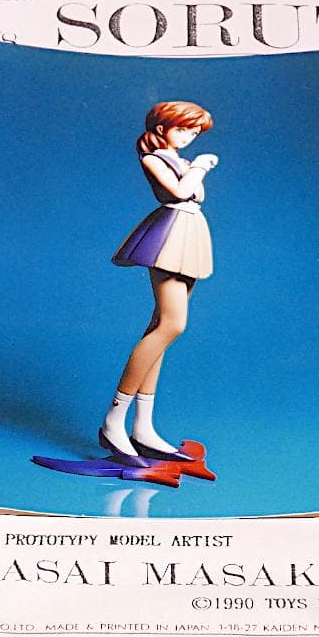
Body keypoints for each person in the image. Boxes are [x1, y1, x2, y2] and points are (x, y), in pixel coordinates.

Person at [103, 101, 218, 461]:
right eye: (182, 129)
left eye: (194, 132)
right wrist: (200, 166)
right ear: (161, 128)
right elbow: (181, 192)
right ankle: (113, 421)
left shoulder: (180, 161)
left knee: (160, 327)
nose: (188, 137)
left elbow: (195, 195)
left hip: (189, 233)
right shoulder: (155, 159)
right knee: (172, 324)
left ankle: (143, 427)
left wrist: (194, 168)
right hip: (168, 236)